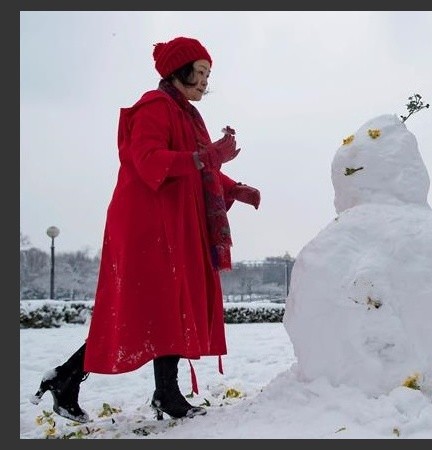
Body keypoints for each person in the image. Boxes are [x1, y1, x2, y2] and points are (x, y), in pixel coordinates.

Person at [30, 36, 261, 423]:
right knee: (149, 309)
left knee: (165, 310)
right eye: (199, 73)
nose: (205, 81)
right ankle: (142, 392)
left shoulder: (187, 114)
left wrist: (232, 185)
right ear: (178, 71)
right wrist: (211, 156)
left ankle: (86, 382)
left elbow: (197, 171)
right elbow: (150, 159)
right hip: (147, 225)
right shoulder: (154, 106)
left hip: (173, 223)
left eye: (209, 75)